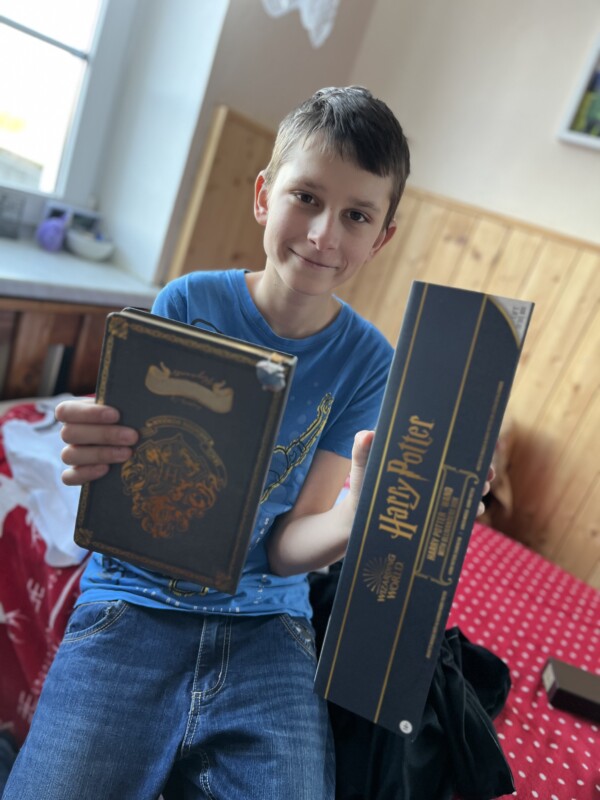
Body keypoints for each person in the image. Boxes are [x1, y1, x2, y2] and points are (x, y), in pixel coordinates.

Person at [3, 86, 489, 800]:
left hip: (267, 626)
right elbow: (129, 487)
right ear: (264, 196)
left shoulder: (370, 363)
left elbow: (287, 548)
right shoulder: (188, 303)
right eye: (306, 198)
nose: (323, 234)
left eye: (356, 215)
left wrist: (355, 519)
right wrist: (95, 462)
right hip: (134, 602)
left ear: (381, 238)